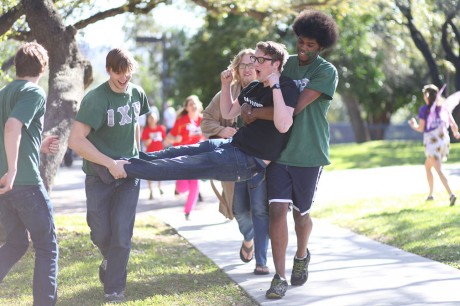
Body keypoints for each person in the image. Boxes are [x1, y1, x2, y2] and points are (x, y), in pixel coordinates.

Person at [94, 41, 298, 199]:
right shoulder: (254, 87)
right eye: (255, 59)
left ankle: (122, 169)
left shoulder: (287, 87)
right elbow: (227, 112)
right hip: (233, 145)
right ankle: (119, 160)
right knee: (174, 152)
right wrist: (225, 85)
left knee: (183, 164)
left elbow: (283, 124)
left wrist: (276, 86)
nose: (255, 64)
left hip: (248, 161)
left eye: (260, 60)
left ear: (276, 64)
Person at [240, 10, 339, 298]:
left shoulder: (325, 72)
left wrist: (256, 113)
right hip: (279, 152)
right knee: (277, 210)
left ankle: (302, 254)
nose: (304, 49)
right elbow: (262, 87)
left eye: (311, 45)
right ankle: (279, 276)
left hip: (309, 152)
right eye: (301, 43)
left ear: (321, 46)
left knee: (301, 215)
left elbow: (293, 109)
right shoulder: (286, 65)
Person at [68, 48, 150, 302]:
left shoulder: (137, 93)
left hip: (129, 176)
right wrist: (109, 162)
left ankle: (114, 288)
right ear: (108, 70)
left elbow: (134, 123)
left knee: (122, 233)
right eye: (118, 73)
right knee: (100, 231)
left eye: (128, 73)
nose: (124, 78)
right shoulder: (96, 99)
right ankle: (109, 260)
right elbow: (75, 140)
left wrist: (136, 156)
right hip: (98, 176)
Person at [201, 48, 270, 274]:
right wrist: (223, 130)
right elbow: (206, 122)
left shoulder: (267, 90)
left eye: (252, 63)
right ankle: (248, 238)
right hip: (234, 163)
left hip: (262, 163)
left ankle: (261, 261)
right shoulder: (227, 94)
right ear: (236, 69)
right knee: (239, 210)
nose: (248, 68)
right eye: (243, 64)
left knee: (260, 210)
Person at [0, 42, 59, 306]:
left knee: (16, 243)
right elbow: (12, 127)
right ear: (43, 68)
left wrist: (38, 146)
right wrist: (13, 170)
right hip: (23, 184)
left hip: (4, 187)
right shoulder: (33, 92)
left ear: (16, 65)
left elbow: (13, 133)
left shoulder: (3, 93)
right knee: (47, 247)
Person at [408, 84, 460, 206]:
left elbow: (421, 128)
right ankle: (430, 194)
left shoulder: (424, 110)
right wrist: (456, 133)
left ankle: (451, 194)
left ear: (426, 96)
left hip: (432, 143)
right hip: (443, 142)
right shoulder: (443, 108)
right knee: (428, 166)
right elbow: (453, 125)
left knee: (438, 169)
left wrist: (412, 125)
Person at [164, 95, 204, 220]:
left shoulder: (203, 121)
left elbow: (209, 135)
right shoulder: (181, 121)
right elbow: (167, 140)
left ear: (199, 105)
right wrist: (176, 139)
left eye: (195, 103)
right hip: (182, 157)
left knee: (194, 186)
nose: (193, 105)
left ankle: (187, 211)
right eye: (190, 104)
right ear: (186, 108)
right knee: (182, 188)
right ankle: (178, 188)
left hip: (196, 157)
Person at [141, 110, 166, 199]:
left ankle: (160, 186)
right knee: (149, 173)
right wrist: (151, 138)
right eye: (149, 118)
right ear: (147, 120)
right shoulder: (146, 130)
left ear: (156, 119)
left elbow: (164, 141)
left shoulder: (161, 128)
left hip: (160, 153)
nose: (151, 120)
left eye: (153, 118)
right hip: (150, 155)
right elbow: (145, 144)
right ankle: (151, 190)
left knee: (160, 171)